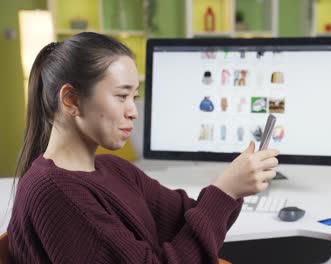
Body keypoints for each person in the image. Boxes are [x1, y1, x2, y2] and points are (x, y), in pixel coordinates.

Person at [7, 32, 279, 263]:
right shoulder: (56, 195)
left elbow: (189, 219)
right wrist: (226, 190)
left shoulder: (115, 169)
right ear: (70, 100)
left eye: (134, 97)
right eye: (121, 96)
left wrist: (231, 188)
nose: (133, 111)